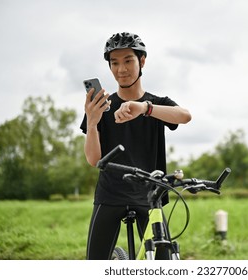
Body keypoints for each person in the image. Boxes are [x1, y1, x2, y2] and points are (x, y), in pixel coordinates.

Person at [80, 32, 191, 260]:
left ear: (142, 61)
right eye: (115, 63)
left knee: (163, 265)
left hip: (149, 194)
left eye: (128, 60)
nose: (121, 69)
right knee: (95, 264)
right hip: (110, 193)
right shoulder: (103, 108)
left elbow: (185, 116)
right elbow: (93, 160)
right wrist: (92, 123)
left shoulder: (157, 104)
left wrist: (144, 108)